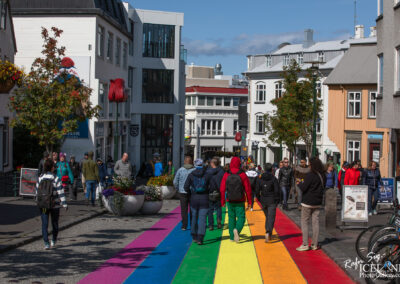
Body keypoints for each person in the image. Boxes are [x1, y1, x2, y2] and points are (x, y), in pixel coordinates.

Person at [36, 159, 68, 249]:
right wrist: (64, 204)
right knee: (55, 223)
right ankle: (53, 240)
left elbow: (37, 192)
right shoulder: (56, 178)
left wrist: (38, 201)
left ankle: (46, 242)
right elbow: (60, 192)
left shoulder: (40, 177)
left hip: (43, 205)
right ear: (52, 168)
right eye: (54, 166)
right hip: (55, 204)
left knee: (44, 224)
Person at [296, 157, 326, 251]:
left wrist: (299, 183)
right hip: (318, 201)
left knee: (304, 222)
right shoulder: (322, 175)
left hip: (308, 201)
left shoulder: (310, 175)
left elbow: (304, 187)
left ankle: (305, 244)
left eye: (310, 164)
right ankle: (314, 244)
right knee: (315, 223)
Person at [220, 156, 252, 243]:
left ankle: (231, 237)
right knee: (241, 217)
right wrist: (250, 202)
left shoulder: (227, 174)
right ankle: (237, 230)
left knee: (231, 218)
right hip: (240, 200)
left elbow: (222, 189)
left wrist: (222, 201)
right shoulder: (242, 174)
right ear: (239, 164)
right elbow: (248, 190)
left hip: (230, 200)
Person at [184, 159, 211, 245]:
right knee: (202, 219)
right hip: (205, 198)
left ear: (195, 165)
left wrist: (190, 194)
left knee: (194, 218)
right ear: (202, 165)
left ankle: (194, 236)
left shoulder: (191, 175)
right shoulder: (207, 175)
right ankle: (200, 238)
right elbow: (212, 186)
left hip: (194, 198)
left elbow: (186, 187)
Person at [256, 163, 280, 242]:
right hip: (272, 200)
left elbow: (257, 190)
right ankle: (268, 232)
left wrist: (259, 198)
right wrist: (277, 200)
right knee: (271, 217)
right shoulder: (273, 179)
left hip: (263, 200)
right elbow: (277, 191)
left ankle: (268, 231)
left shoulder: (260, 178)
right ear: (271, 169)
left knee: (268, 216)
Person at [174, 156, 196, 230]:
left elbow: (175, 182)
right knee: (192, 209)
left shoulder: (180, 170)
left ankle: (184, 225)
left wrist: (178, 189)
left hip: (182, 192)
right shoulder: (194, 170)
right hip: (192, 192)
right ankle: (193, 224)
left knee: (184, 209)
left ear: (184, 162)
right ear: (191, 162)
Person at [206, 157, 225, 230]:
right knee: (218, 208)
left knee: (210, 209)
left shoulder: (208, 171)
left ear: (212, 163)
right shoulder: (221, 171)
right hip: (218, 191)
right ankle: (219, 220)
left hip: (210, 191)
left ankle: (211, 225)